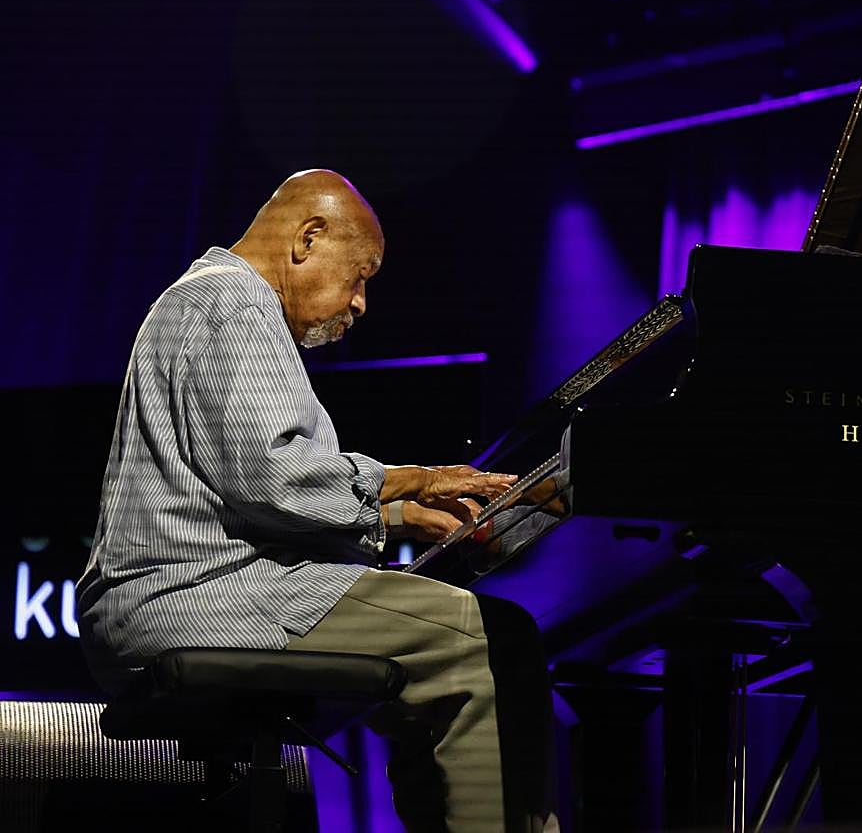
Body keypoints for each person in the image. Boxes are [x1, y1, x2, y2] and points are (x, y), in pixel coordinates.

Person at [75, 169, 559, 832]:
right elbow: (274, 476)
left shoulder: (202, 302)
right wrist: (411, 479)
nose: (361, 303)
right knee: (491, 641)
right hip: (202, 599)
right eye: (360, 275)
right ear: (307, 238)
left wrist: (387, 515)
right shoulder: (238, 305)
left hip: (172, 598)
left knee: (426, 677)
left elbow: (236, 483)